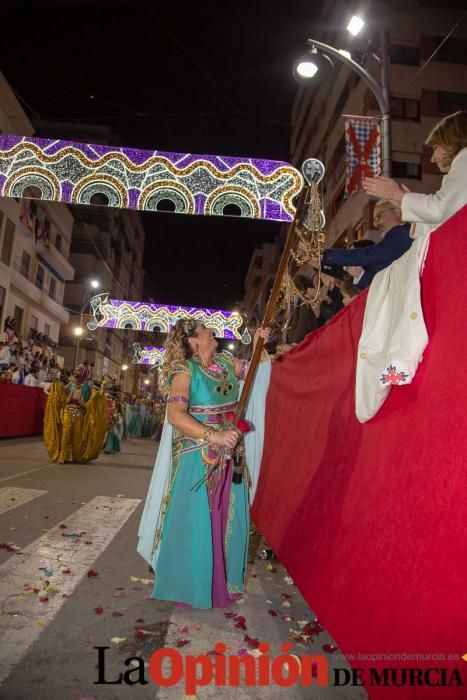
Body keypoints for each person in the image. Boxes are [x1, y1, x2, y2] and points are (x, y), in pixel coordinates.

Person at [137, 318, 271, 609]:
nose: (211, 331)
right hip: (197, 456)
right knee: (199, 519)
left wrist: (260, 346)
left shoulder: (226, 362)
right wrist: (215, 435)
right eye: (204, 330)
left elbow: (254, 376)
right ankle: (192, 583)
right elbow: (176, 416)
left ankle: (222, 581)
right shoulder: (184, 371)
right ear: (193, 341)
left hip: (230, 451)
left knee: (228, 516)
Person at [355, 110, 467, 422]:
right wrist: (408, 201)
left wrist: (398, 197)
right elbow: (441, 214)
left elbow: (443, 210)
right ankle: (397, 363)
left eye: (437, 147)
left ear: (452, 141)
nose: (433, 157)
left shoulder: (465, 160)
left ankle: (397, 363)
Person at [321, 201, 412, 289]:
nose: (376, 224)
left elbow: (371, 255)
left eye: (379, 217)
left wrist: (326, 256)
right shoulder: (392, 243)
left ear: (397, 211)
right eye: (374, 220)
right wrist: (360, 275)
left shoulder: (402, 233)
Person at [43, 363, 107, 463]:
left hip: (80, 413)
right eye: (76, 370)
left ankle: (77, 456)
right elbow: (62, 391)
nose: (75, 371)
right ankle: (63, 457)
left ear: (83, 373)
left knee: (77, 437)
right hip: (68, 412)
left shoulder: (89, 385)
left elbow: (95, 398)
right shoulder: (72, 383)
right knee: (66, 434)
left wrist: (85, 404)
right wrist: (55, 382)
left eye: (78, 370)